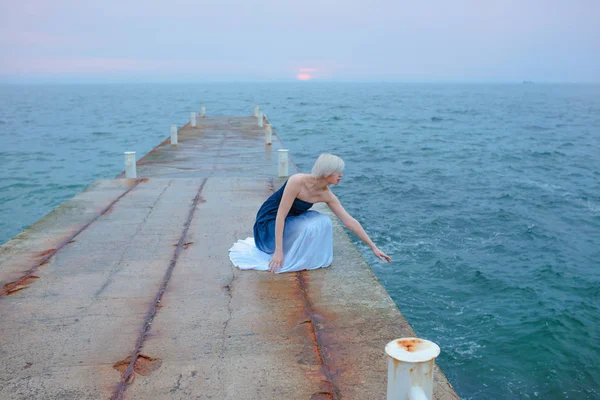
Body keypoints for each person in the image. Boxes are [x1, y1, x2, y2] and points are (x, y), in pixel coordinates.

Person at [229, 153, 391, 273]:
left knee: (323, 221)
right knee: (311, 224)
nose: (341, 175)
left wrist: (373, 247)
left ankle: (304, 256)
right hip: (268, 227)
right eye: (338, 172)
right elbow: (280, 215)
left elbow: (349, 221)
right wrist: (279, 251)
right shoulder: (297, 181)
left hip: (289, 223)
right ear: (327, 172)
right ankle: (283, 251)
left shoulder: (326, 194)